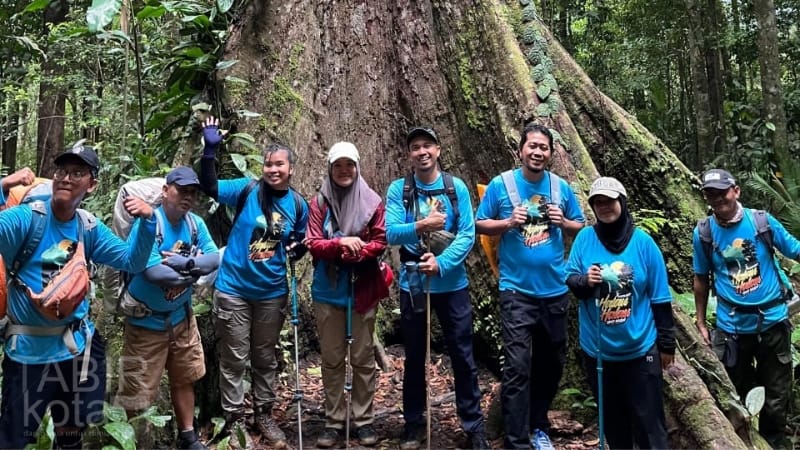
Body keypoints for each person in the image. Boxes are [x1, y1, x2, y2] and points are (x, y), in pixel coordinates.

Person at [0, 144, 156, 449]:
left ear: (91, 185)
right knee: (14, 439)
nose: (67, 178)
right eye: (62, 171)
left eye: (77, 173)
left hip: (78, 350)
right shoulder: (26, 219)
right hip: (29, 352)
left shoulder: (88, 227)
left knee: (72, 432)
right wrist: (2, 186)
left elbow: (131, 261)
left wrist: (147, 222)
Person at [199, 117, 308, 447]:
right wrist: (209, 150)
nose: (272, 170)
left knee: (264, 357)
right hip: (233, 290)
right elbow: (210, 186)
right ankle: (233, 420)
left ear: (290, 169)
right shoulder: (246, 189)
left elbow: (300, 243)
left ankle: (263, 414)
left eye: (279, 165)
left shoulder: (298, 205)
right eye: (268, 164)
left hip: (271, 294)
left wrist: (298, 248)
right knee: (234, 358)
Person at [474, 123, 585, 450]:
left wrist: (562, 222)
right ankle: (516, 440)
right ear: (521, 149)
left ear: (551, 153)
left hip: (554, 290)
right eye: (532, 146)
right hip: (516, 292)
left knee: (553, 365)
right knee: (518, 368)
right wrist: (509, 222)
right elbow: (479, 223)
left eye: (544, 148)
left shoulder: (560, 187)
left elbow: (580, 226)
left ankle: (538, 425)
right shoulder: (502, 184)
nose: (537, 152)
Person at [385, 127, 489, 450]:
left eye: (427, 145)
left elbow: (468, 234)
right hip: (414, 284)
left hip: (452, 284)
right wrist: (421, 226)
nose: (421, 151)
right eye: (415, 147)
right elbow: (389, 232)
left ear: (439, 150)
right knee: (415, 354)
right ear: (409, 155)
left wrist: (441, 264)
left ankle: (473, 426)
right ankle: (413, 422)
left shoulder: (454, 188)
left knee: (462, 354)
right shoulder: (400, 190)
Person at [115, 167, 220, 450]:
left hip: (182, 319)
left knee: (184, 377)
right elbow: (153, 273)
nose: (187, 197)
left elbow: (213, 260)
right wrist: (193, 269)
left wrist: (184, 265)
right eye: (181, 190)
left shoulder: (195, 224)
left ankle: (188, 436)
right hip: (145, 323)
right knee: (136, 391)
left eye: (192, 193)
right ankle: (137, 442)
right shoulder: (149, 222)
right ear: (165, 190)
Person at [693, 168, 799, 449]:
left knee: (776, 394)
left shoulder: (761, 222)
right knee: (736, 392)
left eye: (722, 192)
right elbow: (701, 279)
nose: (718, 199)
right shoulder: (704, 232)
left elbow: (794, 249)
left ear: (736, 191)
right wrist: (701, 322)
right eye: (711, 194)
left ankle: (775, 443)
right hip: (732, 327)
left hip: (773, 321)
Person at [565, 176, 673, 449]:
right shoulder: (585, 239)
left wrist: (667, 343)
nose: (604, 206)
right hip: (599, 352)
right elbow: (571, 280)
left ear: (622, 202)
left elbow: (660, 297)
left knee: (650, 427)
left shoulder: (644, 243)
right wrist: (586, 281)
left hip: (640, 350)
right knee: (614, 427)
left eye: (609, 201)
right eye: (598, 202)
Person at [304, 142, 387, 448]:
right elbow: (312, 241)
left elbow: (381, 239)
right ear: (330, 168)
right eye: (338, 165)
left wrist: (359, 249)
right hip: (328, 289)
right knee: (332, 358)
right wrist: (340, 244)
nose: (343, 171)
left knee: (363, 358)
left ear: (357, 167)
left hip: (363, 286)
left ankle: (364, 420)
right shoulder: (320, 202)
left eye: (349, 165)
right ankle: (333, 420)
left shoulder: (372, 201)